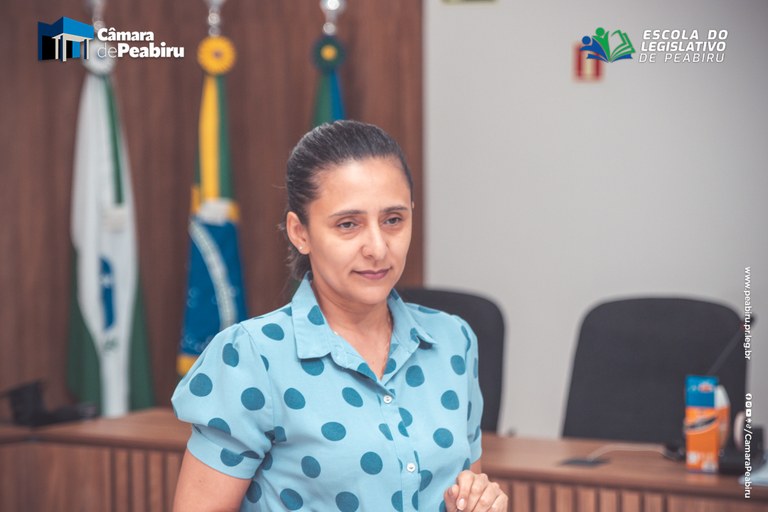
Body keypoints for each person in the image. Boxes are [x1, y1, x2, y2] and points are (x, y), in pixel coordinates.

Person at [171, 120, 508, 511]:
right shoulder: (250, 356)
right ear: (300, 232)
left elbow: (465, 492)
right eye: (348, 224)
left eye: (393, 220)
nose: (377, 248)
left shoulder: (453, 340)